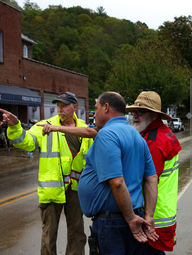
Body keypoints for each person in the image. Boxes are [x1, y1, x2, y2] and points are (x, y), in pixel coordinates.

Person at [0, 92, 93, 255]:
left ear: (75, 107)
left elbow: (92, 160)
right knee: (49, 234)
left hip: (75, 189)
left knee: (77, 232)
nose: (60, 109)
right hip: (52, 191)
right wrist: (15, 126)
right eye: (58, 106)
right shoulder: (45, 125)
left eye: (64, 106)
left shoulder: (85, 130)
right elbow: (26, 142)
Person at [77, 92, 159, 255]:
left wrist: (130, 219)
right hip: (134, 217)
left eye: (96, 108)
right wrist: (148, 215)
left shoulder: (106, 135)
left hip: (114, 223)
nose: (94, 114)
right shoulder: (137, 136)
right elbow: (151, 178)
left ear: (106, 107)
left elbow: (117, 182)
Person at [126, 91, 182, 254]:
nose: (135, 116)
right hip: (162, 211)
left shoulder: (153, 141)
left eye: (141, 112)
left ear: (154, 115)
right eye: (134, 112)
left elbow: (146, 180)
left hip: (151, 216)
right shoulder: (162, 133)